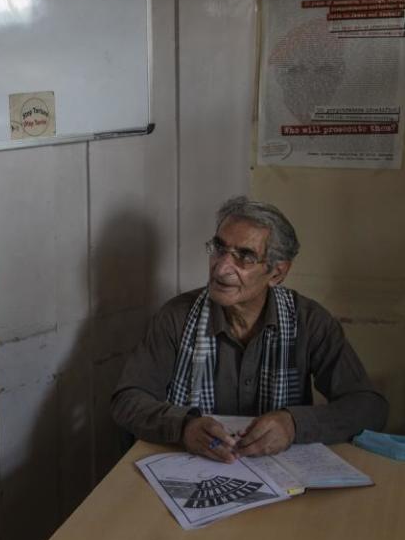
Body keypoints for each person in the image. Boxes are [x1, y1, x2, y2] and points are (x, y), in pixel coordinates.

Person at [111, 196, 387, 464]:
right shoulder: (177, 317)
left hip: (281, 475)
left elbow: (368, 407)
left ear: (277, 273)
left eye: (245, 256)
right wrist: (184, 426)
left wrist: (294, 424)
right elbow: (128, 400)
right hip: (196, 470)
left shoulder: (308, 321)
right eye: (219, 248)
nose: (221, 268)